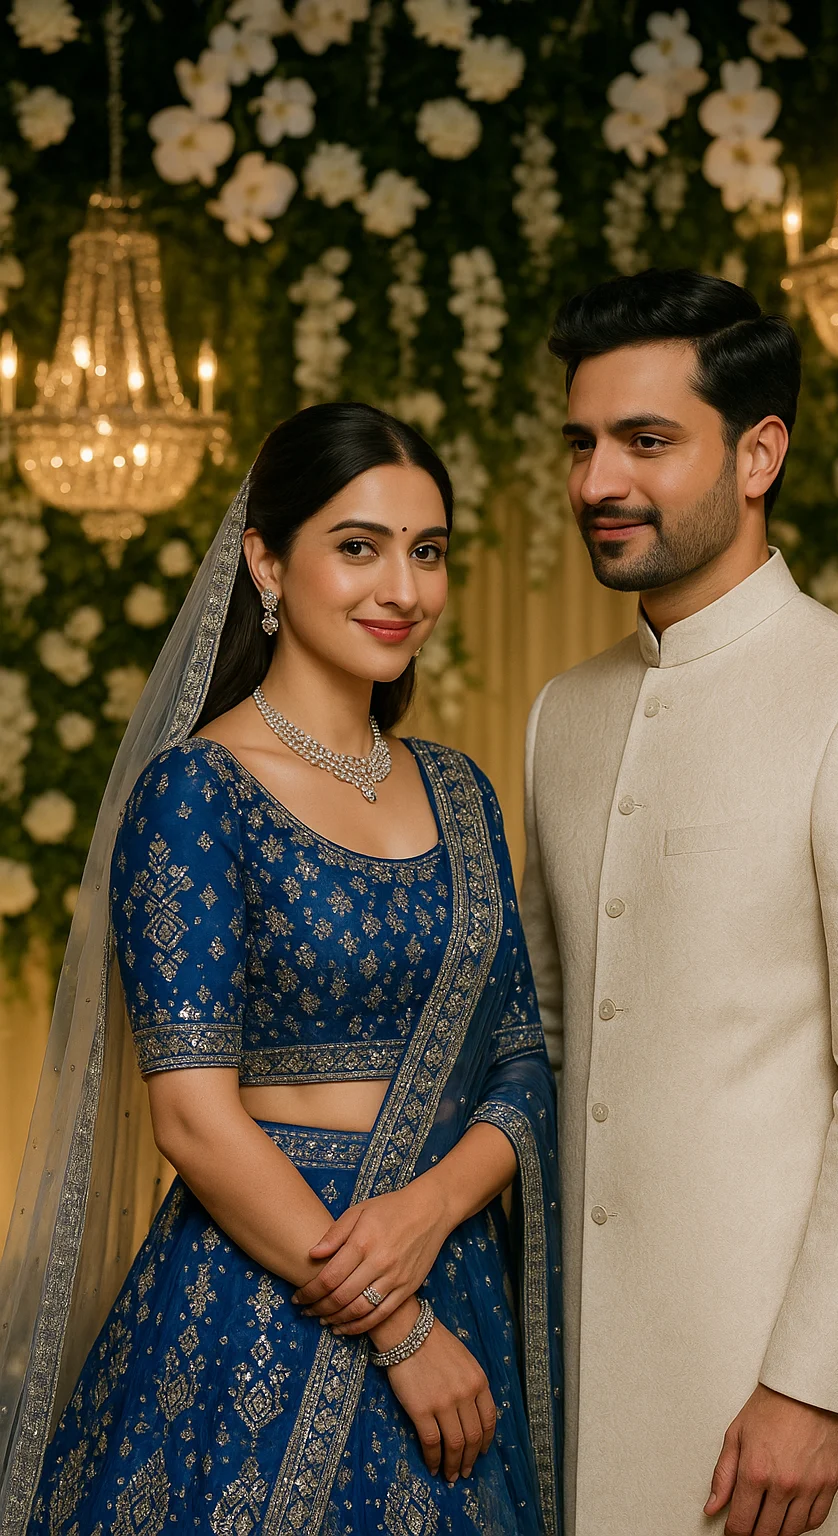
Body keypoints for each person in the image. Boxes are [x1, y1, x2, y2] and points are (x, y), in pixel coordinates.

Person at [0, 403, 561, 1536]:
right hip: (261, 1295)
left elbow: (518, 1058)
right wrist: (397, 1328)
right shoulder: (195, 794)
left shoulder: (461, 793)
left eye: (428, 550)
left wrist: (420, 1216)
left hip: (442, 1271)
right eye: (357, 547)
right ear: (267, 559)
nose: (401, 588)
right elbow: (196, 1123)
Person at [519, 269, 838, 1536]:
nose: (598, 482)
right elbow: (548, 1040)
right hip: (575, 1378)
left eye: (646, 442)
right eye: (582, 443)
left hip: (776, 1407)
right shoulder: (562, 716)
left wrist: (813, 1388)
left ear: (760, 450)